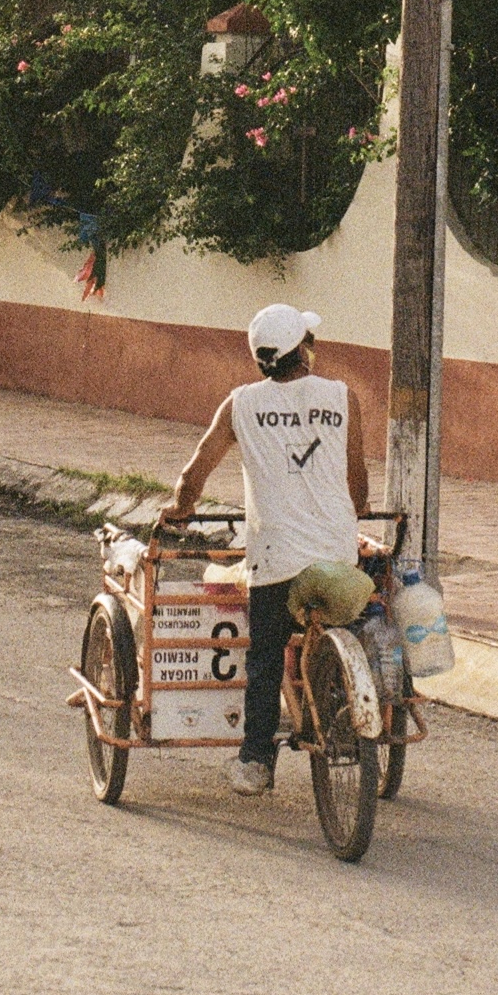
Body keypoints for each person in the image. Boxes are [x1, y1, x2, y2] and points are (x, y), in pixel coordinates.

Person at [164, 302, 369, 795]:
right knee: (355, 628)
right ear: (304, 350)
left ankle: (256, 761)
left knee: (265, 658)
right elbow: (357, 486)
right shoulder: (344, 397)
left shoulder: (241, 404)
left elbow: (196, 471)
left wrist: (180, 509)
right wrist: (343, 521)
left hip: (276, 559)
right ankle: (349, 712)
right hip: (338, 554)